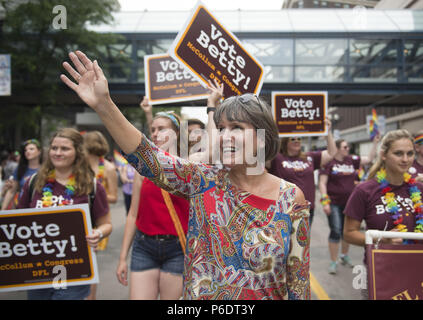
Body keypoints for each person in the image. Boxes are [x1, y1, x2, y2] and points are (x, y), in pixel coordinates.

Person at [61, 51, 310, 300]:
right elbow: (149, 159)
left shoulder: (290, 198)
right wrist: (104, 105)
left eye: (237, 128)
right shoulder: (202, 180)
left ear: (261, 137)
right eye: (221, 128)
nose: (225, 137)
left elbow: (299, 282)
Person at [17, 128, 112, 300]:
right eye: (54, 148)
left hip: (74, 269)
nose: (58, 153)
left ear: (77, 152)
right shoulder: (33, 182)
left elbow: (106, 224)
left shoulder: (91, 186)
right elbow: (18, 221)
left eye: (65, 149)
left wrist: (97, 233)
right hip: (38, 268)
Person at [116, 108, 190, 300]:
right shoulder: (143, 171)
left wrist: (211, 105)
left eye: (161, 129)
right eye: (153, 129)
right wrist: (123, 257)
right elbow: (133, 215)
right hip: (144, 246)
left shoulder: (190, 168)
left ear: (177, 133)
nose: (155, 133)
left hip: (177, 249)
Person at [343, 129, 423, 298]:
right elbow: (349, 234)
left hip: (416, 271)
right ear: (384, 155)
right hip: (379, 272)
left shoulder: (419, 190)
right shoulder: (365, 191)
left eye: (410, 154)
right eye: (398, 153)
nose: (405, 159)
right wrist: (382, 239)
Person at [319, 136, 380, 274]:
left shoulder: (352, 160)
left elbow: (369, 159)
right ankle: (333, 262)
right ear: (338, 149)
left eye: (348, 147)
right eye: (345, 147)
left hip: (349, 203)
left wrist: (375, 143)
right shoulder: (329, 162)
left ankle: (344, 256)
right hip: (333, 202)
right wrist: (325, 201)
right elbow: (322, 183)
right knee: (335, 230)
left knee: (346, 231)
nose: (348, 149)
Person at [267, 121, 336, 225]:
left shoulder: (309, 157)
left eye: (299, 139)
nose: (297, 141)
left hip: (306, 208)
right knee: (284, 240)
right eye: (293, 139)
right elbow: (258, 159)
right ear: (285, 142)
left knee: (302, 240)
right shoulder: (277, 158)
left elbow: (332, 153)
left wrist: (328, 132)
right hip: (284, 208)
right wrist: (262, 130)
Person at [82, 130, 118, 300]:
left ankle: (90, 296)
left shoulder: (108, 168)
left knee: (90, 259)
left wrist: (95, 194)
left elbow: (114, 197)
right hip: (78, 216)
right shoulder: (78, 166)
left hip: (97, 217)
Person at [1, 139, 42, 210]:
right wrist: (2, 211)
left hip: (39, 208)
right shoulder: (20, 169)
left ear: (39, 151)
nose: (27, 151)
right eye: (25, 150)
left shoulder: (45, 169)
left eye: (31, 149)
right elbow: (11, 191)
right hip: (22, 208)